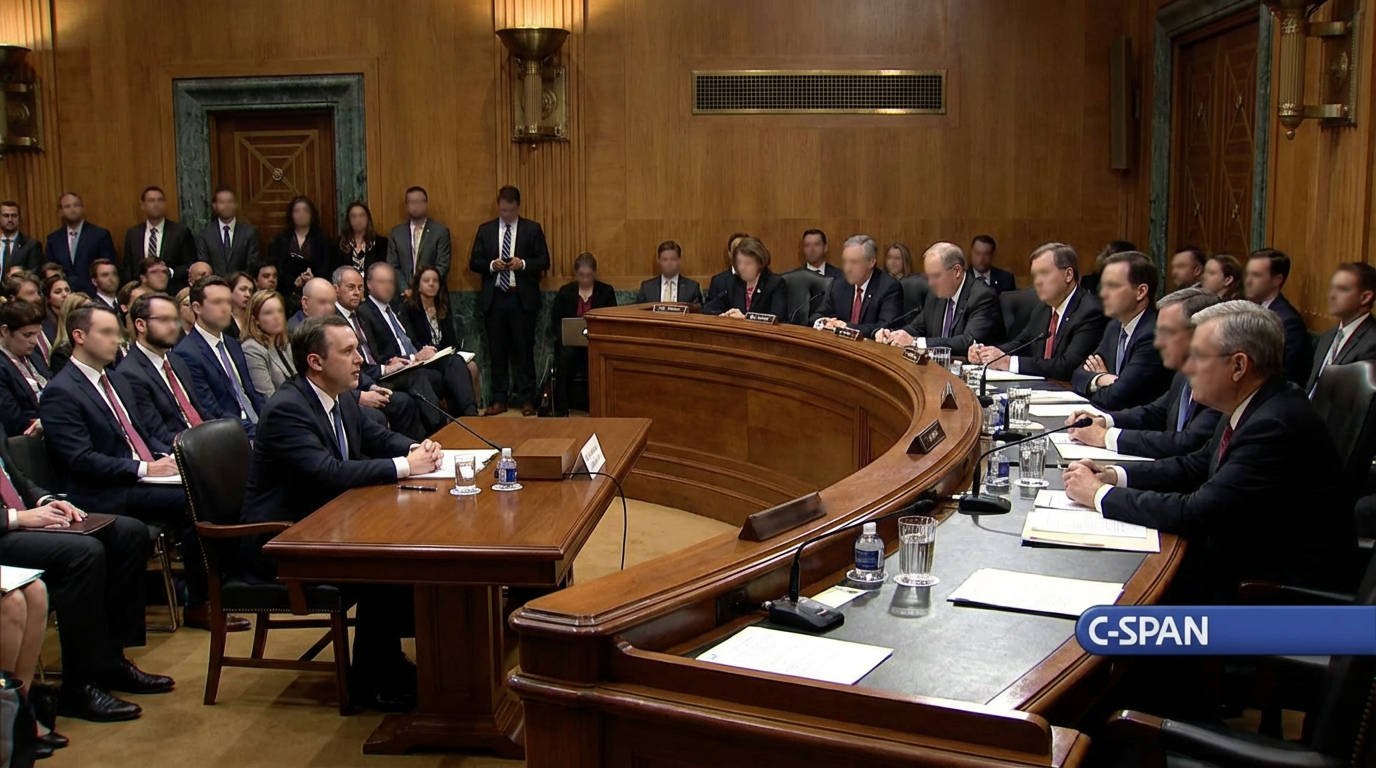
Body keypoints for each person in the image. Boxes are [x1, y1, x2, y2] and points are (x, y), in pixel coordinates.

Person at [1063, 301, 1353, 598]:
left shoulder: (1274, 424)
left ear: (1238, 366)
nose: (1187, 367)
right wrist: (1113, 476)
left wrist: (1098, 495)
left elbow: (1197, 512)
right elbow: (1194, 465)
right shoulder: (1254, 403)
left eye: (1198, 356)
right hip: (1237, 560)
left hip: (1268, 590)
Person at [239, 314, 442, 711]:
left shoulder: (341, 398)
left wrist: (421, 448)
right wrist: (405, 467)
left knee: (406, 550)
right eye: (348, 352)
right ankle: (372, 681)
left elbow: (378, 438)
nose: (359, 360)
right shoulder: (288, 409)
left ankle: (389, 664)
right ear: (316, 362)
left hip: (326, 523)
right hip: (280, 541)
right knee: (384, 565)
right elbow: (326, 473)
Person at [38, 304, 227, 632]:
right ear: (79, 336)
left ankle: (224, 587)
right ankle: (199, 603)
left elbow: (143, 434)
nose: (117, 342)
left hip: (139, 476)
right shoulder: (61, 391)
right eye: (108, 333)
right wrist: (143, 469)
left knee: (208, 484)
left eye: (118, 333)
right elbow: (80, 460)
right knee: (192, 503)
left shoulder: (114, 380)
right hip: (104, 490)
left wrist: (167, 462)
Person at [0, 435, 168, 724]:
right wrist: (18, 518)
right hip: (7, 530)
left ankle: (111, 661)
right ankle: (79, 685)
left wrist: (48, 501)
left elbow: (13, 476)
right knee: (83, 554)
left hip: (21, 519)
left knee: (129, 533)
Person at [1067, 287, 1224, 459]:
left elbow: (1187, 443)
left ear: (1199, 334)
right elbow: (1156, 413)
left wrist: (1105, 437)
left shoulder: (1220, 382)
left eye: (1168, 332)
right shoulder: (1183, 375)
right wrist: (1104, 420)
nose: (1158, 343)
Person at [968, 242, 1107, 380]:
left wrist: (1008, 363)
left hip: (1068, 391)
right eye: (1035, 276)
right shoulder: (1044, 306)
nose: (1037, 282)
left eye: (1044, 274)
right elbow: (1022, 343)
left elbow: (1067, 366)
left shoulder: (1089, 311)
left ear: (1068, 275)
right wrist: (987, 353)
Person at [358, 261, 478, 417]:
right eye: (382, 282)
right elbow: (376, 354)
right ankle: (441, 427)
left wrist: (423, 353)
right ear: (369, 284)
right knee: (426, 377)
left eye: (391, 282)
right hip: (398, 367)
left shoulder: (395, 307)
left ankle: (470, 415)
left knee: (454, 361)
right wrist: (412, 358)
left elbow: (411, 340)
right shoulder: (364, 313)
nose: (387, 286)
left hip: (416, 360)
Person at [468, 186, 549, 417]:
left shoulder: (532, 229)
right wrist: (492, 265)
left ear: (518, 207)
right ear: (498, 206)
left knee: (524, 350)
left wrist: (521, 264)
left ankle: (527, 399)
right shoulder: (486, 230)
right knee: (497, 352)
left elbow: (544, 260)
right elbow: (474, 262)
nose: (507, 214)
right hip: (495, 299)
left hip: (521, 298)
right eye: (503, 210)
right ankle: (499, 399)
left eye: (511, 210)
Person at [330, 269, 437, 438]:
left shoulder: (359, 315)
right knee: (405, 398)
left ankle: (434, 434)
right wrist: (382, 372)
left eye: (359, 287)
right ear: (336, 289)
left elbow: (374, 354)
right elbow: (351, 365)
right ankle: (434, 433)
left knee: (417, 375)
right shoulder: (333, 321)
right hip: (360, 380)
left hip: (374, 373)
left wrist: (389, 364)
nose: (357, 292)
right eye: (351, 287)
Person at [1069, 251, 1172, 410]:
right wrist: (1102, 379)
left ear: (1141, 292)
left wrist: (1105, 383)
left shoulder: (1153, 334)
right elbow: (1077, 376)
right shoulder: (1114, 326)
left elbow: (1115, 398)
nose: (1103, 294)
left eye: (1113, 286)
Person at [171, 276, 264, 440]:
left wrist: (269, 423)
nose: (226, 308)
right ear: (197, 307)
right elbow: (210, 410)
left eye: (228, 302)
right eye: (217, 302)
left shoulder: (232, 344)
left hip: (257, 427)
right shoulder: (186, 353)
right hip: (229, 436)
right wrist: (257, 432)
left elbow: (250, 391)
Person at [876, 241, 1003, 354]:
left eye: (936, 276)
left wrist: (915, 343)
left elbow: (968, 341)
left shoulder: (982, 297)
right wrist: (894, 335)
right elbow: (917, 327)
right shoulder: (935, 295)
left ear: (957, 271)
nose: (930, 283)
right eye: (929, 276)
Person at [114, 292, 210, 440]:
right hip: (180, 451)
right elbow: (157, 435)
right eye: (164, 320)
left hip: (204, 439)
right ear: (141, 325)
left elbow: (199, 411)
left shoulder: (177, 361)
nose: (173, 327)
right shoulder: (129, 373)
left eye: (175, 320)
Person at [404, 264, 481, 405]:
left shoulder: (442, 307)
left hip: (445, 355)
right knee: (455, 368)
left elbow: (452, 341)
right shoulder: (410, 309)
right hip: (425, 357)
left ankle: (472, 412)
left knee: (472, 367)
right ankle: (464, 412)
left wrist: (456, 353)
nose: (431, 284)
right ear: (418, 285)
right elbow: (412, 340)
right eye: (426, 281)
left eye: (435, 281)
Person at [551, 253, 618, 415]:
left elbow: (612, 322)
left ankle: (597, 407)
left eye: (588, 275)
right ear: (576, 274)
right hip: (571, 346)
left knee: (598, 357)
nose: (585, 279)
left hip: (597, 345)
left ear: (594, 273)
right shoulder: (565, 292)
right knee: (566, 356)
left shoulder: (606, 292)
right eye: (581, 275)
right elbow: (555, 323)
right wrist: (565, 337)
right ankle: (562, 409)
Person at [808, 234, 902, 338]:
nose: (847, 268)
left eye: (854, 262)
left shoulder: (889, 287)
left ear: (871, 262)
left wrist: (846, 328)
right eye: (845, 262)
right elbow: (816, 316)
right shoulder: (839, 284)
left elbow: (886, 327)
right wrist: (825, 322)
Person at [1307, 262, 1376, 396]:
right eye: (1332, 288)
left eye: (1342, 289)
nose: (1331, 295)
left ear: (1366, 297)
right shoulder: (1328, 336)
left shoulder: (1372, 343)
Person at [1245, 248, 1312, 385]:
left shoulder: (1289, 322)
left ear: (1277, 280)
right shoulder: (1249, 309)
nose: (1248, 281)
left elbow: (1290, 377)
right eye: (1248, 274)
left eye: (1256, 275)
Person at [121, 187, 196, 290]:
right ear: (143, 205)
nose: (156, 204)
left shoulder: (180, 232)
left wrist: (168, 272)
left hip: (171, 290)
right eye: (151, 200)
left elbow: (190, 264)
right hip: (141, 293)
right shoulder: (133, 234)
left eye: (160, 200)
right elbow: (128, 267)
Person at [44, 193, 116, 295]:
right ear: (60, 212)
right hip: (65, 296)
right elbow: (49, 269)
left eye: (76, 205)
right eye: (67, 206)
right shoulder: (53, 239)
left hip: (94, 294)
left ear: (82, 208)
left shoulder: (100, 235)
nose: (72, 209)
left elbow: (108, 267)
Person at [268, 195, 334, 304]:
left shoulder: (323, 240)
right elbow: (275, 266)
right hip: (286, 291)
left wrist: (312, 279)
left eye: (305, 211)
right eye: (297, 211)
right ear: (291, 215)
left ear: (311, 214)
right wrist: (293, 281)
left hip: (315, 291)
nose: (301, 214)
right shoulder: (280, 239)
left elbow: (328, 268)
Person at [387, 186, 452, 293]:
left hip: (432, 294)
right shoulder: (396, 233)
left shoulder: (440, 231)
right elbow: (393, 265)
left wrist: (424, 287)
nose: (415, 206)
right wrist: (405, 289)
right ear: (406, 205)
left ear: (426, 203)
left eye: (418, 201)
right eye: (411, 202)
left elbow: (442, 265)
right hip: (404, 295)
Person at [704, 236, 787, 320]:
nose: (742, 268)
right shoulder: (730, 281)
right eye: (739, 262)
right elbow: (708, 311)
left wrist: (746, 318)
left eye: (747, 263)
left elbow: (776, 318)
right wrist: (724, 315)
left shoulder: (775, 283)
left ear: (760, 263)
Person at [0, 299, 50, 436]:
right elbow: (15, 422)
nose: (34, 341)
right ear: (5, 331)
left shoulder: (32, 353)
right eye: (27, 335)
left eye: (37, 334)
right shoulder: (2, 368)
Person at [195, 185, 259, 276]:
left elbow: (253, 263)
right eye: (222, 202)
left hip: (241, 285)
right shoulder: (205, 235)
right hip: (214, 286)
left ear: (236, 204)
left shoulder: (249, 232)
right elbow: (203, 265)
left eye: (230, 202)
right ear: (214, 205)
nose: (226, 206)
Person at [634, 240, 703, 304]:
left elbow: (698, 312)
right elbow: (638, 310)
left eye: (673, 259)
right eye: (665, 260)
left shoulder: (692, 287)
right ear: (658, 261)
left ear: (680, 260)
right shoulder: (647, 287)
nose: (669, 263)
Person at [705, 232, 750, 307]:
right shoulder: (718, 281)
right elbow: (710, 310)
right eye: (736, 249)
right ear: (729, 253)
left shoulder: (760, 279)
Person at [0, 201, 43, 273]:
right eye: (6, 216)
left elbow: (34, 274)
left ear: (19, 218)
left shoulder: (31, 245)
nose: (10, 220)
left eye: (14, 216)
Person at [40, 273, 70, 346]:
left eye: (67, 290)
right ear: (48, 298)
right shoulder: (45, 327)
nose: (65, 295)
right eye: (58, 292)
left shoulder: (76, 317)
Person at [225, 271, 254, 340]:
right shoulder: (223, 322)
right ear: (229, 291)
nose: (248, 295)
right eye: (243, 289)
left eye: (251, 291)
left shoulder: (256, 320)